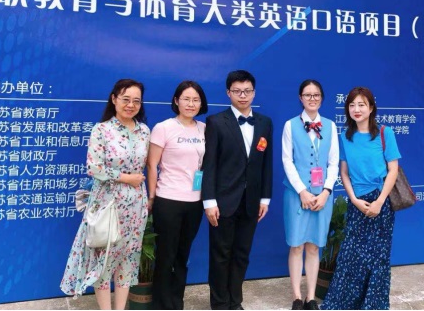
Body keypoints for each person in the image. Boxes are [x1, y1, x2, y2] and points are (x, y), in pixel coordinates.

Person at [60, 79, 150, 311]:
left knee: (128, 258)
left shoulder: (144, 131)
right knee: (104, 257)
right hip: (107, 203)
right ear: (114, 99)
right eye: (125, 99)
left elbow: (146, 165)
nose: (131, 105)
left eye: (136, 101)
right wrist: (126, 178)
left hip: (136, 206)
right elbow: (94, 168)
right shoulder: (101, 130)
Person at [321, 87, 401, 310]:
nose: (356, 109)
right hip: (357, 202)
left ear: (371, 108)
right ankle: (345, 303)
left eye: (361, 105)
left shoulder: (385, 133)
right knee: (351, 255)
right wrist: (354, 200)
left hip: (381, 202)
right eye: (352, 105)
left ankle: (374, 305)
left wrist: (380, 202)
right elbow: (344, 173)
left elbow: (393, 170)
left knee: (378, 257)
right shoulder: (345, 137)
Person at [201, 70, 273, 310]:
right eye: (237, 91)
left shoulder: (264, 123)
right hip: (223, 201)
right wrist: (209, 201)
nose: (243, 95)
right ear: (228, 93)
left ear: (254, 93)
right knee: (220, 254)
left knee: (242, 253)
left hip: (251, 200)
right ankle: (220, 303)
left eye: (247, 91)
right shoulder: (215, 122)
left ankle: (235, 301)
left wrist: (265, 198)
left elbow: (266, 164)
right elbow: (209, 164)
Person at [147, 80, 209, 309]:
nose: (191, 104)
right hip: (168, 200)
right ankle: (161, 304)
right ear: (176, 101)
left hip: (195, 202)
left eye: (195, 100)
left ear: (201, 103)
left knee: (183, 255)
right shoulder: (163, 128)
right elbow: (152, 165)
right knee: (166, 255)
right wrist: (151, 197)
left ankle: (176, 301)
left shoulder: (205, 129)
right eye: (186, 99)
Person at [281, 80, 339, 310]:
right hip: (297, 195)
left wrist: (326, 192)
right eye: (307, 95)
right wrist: (302, 191)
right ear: (300, 98)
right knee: (296, 246)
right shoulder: (290, 125)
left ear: (321, 98)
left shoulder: (331, 126)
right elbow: (287, 161)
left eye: (316, 95)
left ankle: (311, 297)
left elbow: (333, 163)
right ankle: (297, 296)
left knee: (314, 247)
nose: (312, 99)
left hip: (322, 196)